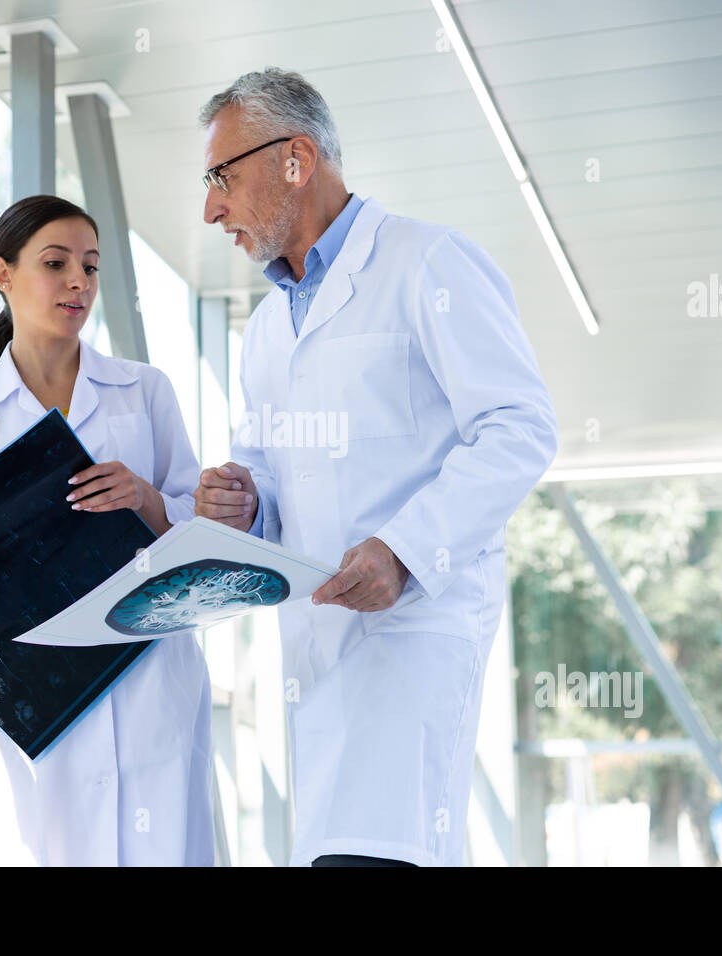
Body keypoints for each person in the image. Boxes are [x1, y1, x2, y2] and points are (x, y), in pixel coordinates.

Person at [193, 69, 558, 866]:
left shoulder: (427, 264)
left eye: (224, 176)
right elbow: (278, 480)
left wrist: (402, 549)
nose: (212, 207)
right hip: (317, 656)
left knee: (381, 853)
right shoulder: (265, 329)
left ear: (295, 159)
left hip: (414, 634)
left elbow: (520, 425)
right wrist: (247, 501)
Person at [0, 195, 213, 866]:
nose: (79, 281)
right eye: (56, 264)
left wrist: (142, 496)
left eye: (90, 266)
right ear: (3, 274)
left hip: (150, 683)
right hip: (35, 699)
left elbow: (198, 538)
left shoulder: (145, 392)